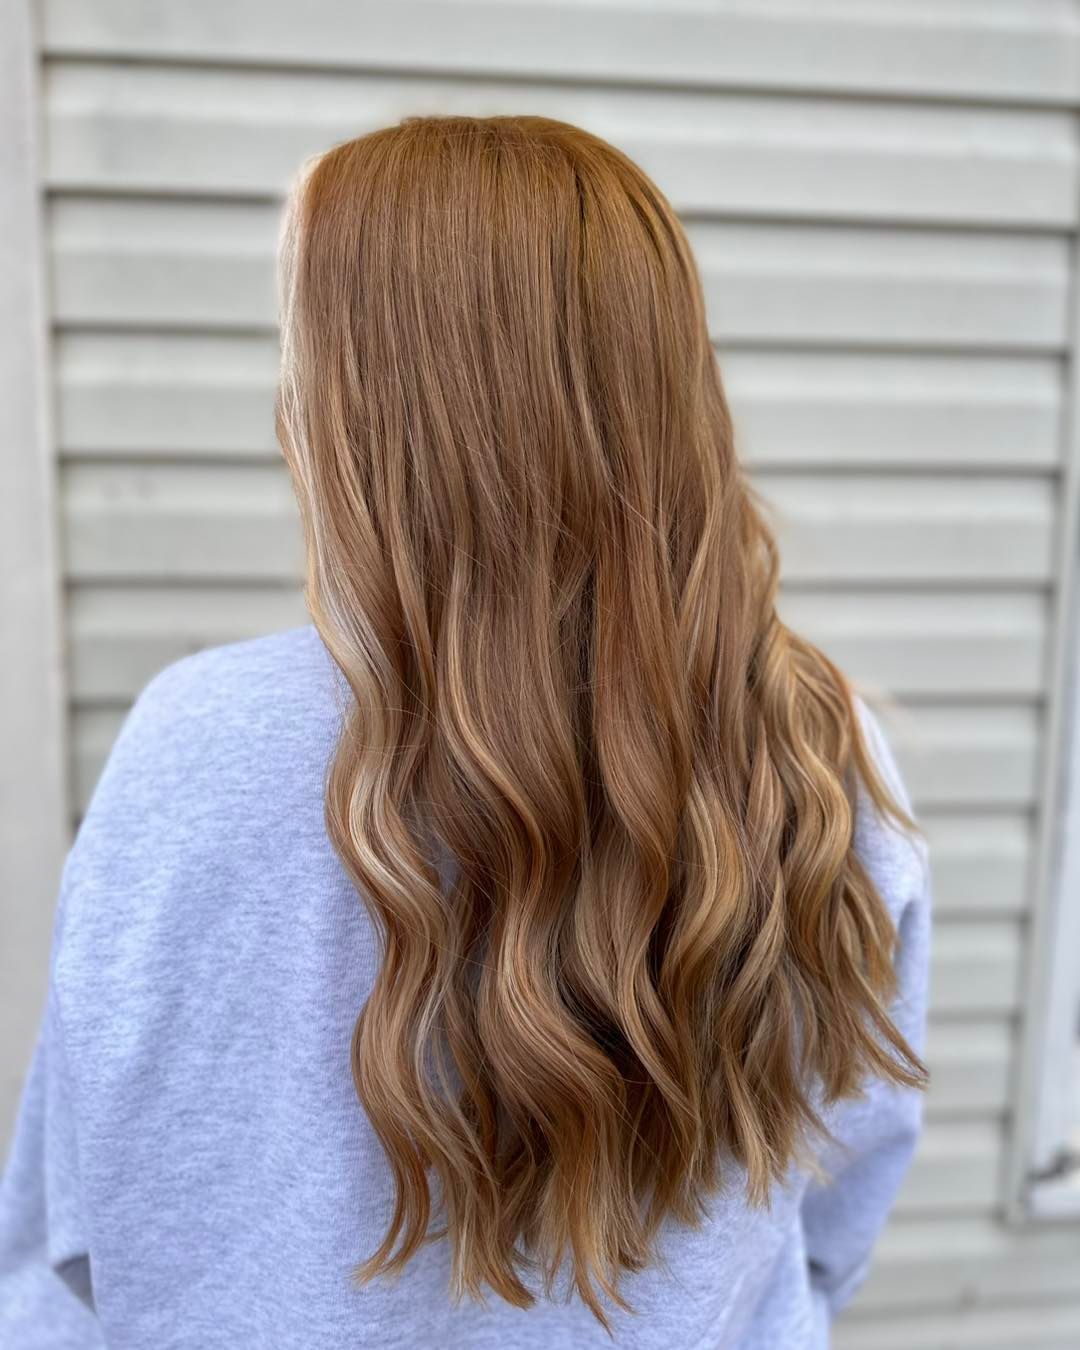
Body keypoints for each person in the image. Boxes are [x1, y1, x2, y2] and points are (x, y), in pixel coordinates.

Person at [0, 115, 931, 1348]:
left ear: (368, 415)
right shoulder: (819, 757)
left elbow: (77, 1225)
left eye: (298, 349)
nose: (284, 402)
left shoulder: (196, 747)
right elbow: (839, 1203)